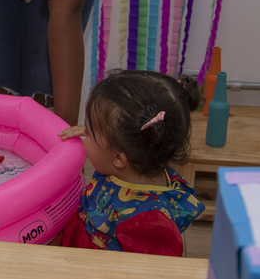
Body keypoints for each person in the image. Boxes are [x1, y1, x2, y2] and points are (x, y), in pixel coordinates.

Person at [54, 70, 205, 256]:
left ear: (118, 158)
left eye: (89, 133)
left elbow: (155, 270)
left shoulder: (148, 224)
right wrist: (95, 132)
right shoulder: (136, 159)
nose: (84, 135)